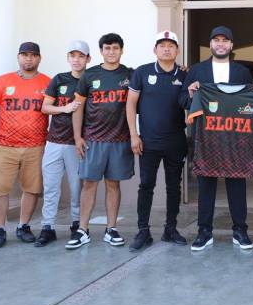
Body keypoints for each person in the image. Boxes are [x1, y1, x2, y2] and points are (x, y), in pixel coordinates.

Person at [180, 26, 253, 251]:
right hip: (206, 139)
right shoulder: (197, 70)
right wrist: (190, 93)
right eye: (216, 40)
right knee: (206, 187)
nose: (220, 44)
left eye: (225, 40)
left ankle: (240, 231)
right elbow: (182, 100)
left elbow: (249, 102)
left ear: (231, 45)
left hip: (235, 138)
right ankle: (204, 232)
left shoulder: (242, 72)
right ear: (211, 44)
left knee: (237, 185)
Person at [0, 42, 51, 248]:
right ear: (18, 57)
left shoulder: (48, 82)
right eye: (24, 54)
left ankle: (23, 226)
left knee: (32, 189)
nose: (29, 58)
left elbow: (57, 110)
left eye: (33, 55)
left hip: (36, 145)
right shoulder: (3, 81)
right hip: (5, 145)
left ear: (39, 58)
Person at [67, 33, 134, 249]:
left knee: (113, 184)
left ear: (121, 50)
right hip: (93, 139)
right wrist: (77, 137)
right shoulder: (90, 75)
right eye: (107, 48)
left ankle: (111, 228)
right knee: (89, 184)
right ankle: (82, 230)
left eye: (115, 48)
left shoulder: (130, 74)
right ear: (101, 51)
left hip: (119, 139)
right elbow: (78, 107)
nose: (111, 52)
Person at [126, 31, 189, 251]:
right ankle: (143, 231)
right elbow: (130, 104)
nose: (166, 49)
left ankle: (170, 229)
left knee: (174, 187)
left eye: (171, 45)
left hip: (176, 140)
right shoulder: (142, 72)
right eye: (162, 45)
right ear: (155, 49)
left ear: (177, 50)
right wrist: (134, 135)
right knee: (146, 185)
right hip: (148, 141)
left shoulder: (184, 74)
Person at [35, 40, 91, 247]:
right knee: (50, 187)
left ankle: (77, 225)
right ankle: (47, 227)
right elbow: (45, 107)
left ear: (88, 58)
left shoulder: (92, 79)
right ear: (68, 58)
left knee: (77, 188)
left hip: (77, 143)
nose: (76, 60)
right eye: (73, 56)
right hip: (54, 141)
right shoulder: (59, 79)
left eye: (81, 56)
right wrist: (64, 109)